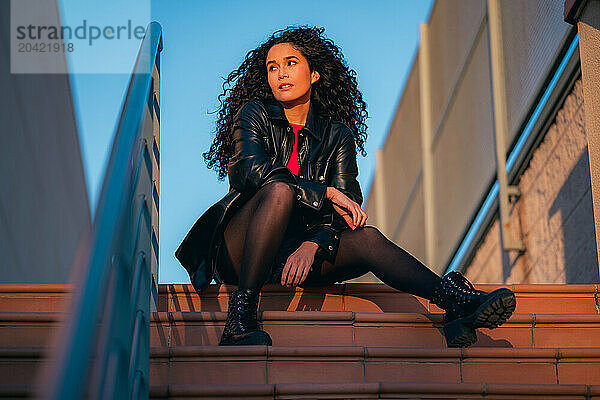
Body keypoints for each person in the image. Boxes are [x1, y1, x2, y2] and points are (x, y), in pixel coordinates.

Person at [175, 25, 516, 348]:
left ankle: (454, 301)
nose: (280, 73)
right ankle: (240, 318)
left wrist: (313, 242)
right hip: (243, 249)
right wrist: (323, 192)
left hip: (295, 255)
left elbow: (347, 206)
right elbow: (250, 173)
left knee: (367, 237)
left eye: (291, 64)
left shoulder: (336, 135)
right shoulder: (254, 114)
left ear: (314, 74)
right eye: (272, 67)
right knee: (278, 189)